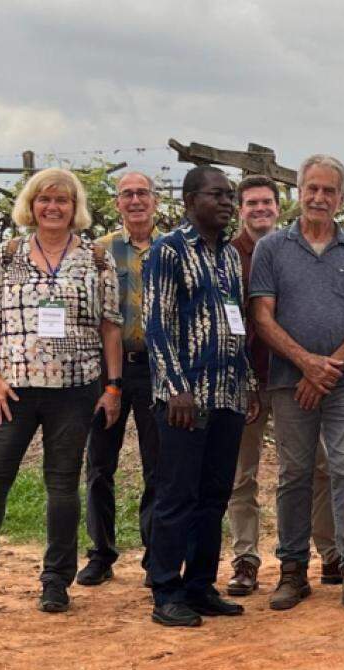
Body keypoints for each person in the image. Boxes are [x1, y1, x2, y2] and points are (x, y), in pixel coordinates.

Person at [0, 168, 122, 616]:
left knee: (62, 487)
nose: (53, 207)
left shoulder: (96, 259)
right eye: (44, 200)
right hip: (11, 390)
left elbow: (110, 326)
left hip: (75, 389)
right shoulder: (8, 254)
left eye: (62, 200)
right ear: (31, 205)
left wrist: (112, 387)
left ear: (75, 208)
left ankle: (56, 582)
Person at [249, 155, 344, 617]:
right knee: (294, 475)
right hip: (290, 382)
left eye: (330, 191)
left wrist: (328, 370)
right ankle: (292, 571)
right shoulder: (272, 249)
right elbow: (262, 316)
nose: (320, 198)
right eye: (312, 189)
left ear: (341, 198)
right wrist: (306, 365)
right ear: (299, 193)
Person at [143, 165, 259, 627]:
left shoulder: (229, 258)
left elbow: (237, 324)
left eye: (231, 196)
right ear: (191, 200)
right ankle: (166, 589)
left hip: (226, 396)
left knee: (214, 495)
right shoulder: (167, 251)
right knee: (177, 495)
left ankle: (200, 584)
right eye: (218, 195)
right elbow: (157, 324)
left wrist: (247, 382)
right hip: (185, 400)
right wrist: (176, 389)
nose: (228, 203)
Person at [225, 175, 340, 596]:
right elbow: (230, 325)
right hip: (248, 379)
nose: (260, 209)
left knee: (318, 466)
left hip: (293, 377)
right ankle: (246, 558)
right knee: (242, 474)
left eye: (267, 202)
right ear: (241, 209)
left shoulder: (296, 251)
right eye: (252, 202)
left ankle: (330, 552)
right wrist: (246, 381)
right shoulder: (227, 256)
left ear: (279, 206)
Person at [78, 172, 162, 588]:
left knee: (156, 466)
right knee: (99, 465)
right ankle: (101, 553)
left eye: (142, 193)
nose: (135, 200)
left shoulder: (171, 249)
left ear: (156, 201)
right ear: (116, 204)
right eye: (127, 194)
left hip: (156, 368)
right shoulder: (99, 251)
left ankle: (154, 554)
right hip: (106, 369)